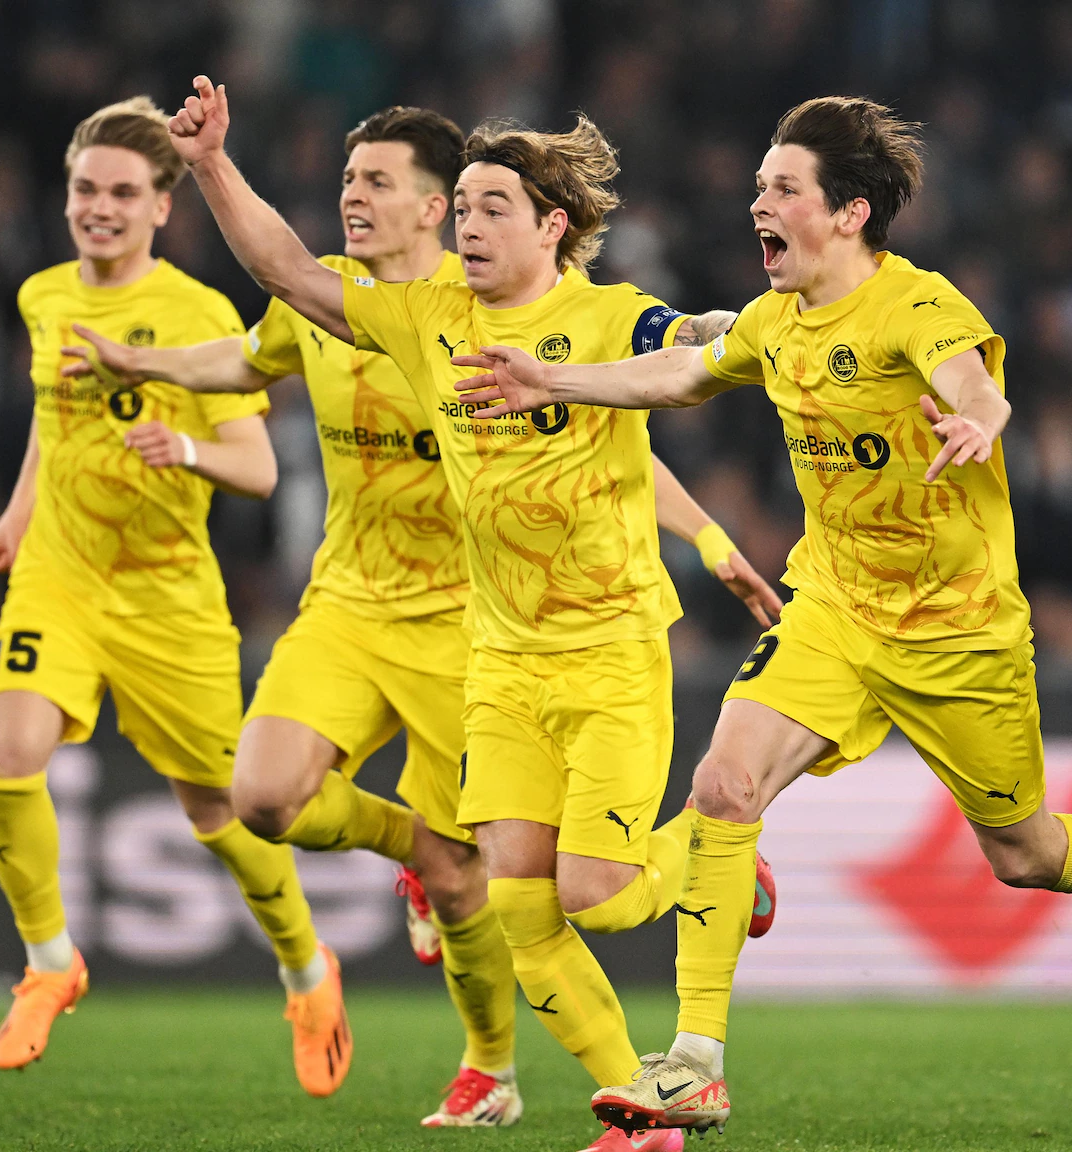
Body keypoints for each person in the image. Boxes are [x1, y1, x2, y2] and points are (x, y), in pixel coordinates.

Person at [443, 94, 1072, 1137]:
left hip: (956, 634)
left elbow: (971, 385)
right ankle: (694, 1061)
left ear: (851, 213)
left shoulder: (915, 308)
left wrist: (975, 423)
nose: (757, 206)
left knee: (1025, 854)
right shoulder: (774, 322)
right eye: (756, 188)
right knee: (723, 783)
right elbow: (680, 372)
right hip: (831, 607)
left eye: (781, 189)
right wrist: (550, 377)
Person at [62, 104, 780, 1131]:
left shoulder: (604, 314)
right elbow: (279, 281)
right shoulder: (412, 314)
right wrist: (214, 164)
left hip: (556, 637)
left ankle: (703, 868)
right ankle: (639, 1110)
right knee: (459, 874)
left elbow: (680, 364)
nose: (355, 196)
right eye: (468, 209)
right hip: (429, 631)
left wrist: (723, 410)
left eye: (494, 208)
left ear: (537, 225)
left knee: (577, 893)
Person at [0, 97, 350, 1096]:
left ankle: (308, 972)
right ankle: (51, 963)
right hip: (60, 573)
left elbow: (258, 467)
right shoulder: (43, 295)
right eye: (86, 190)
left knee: (224, 812)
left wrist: (181, 446)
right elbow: (50, 425)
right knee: (5, 758)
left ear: (161, 207)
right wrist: (20, 512)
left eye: (122, 193)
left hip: (166, 595)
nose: (100, 208)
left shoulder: (199, 314)